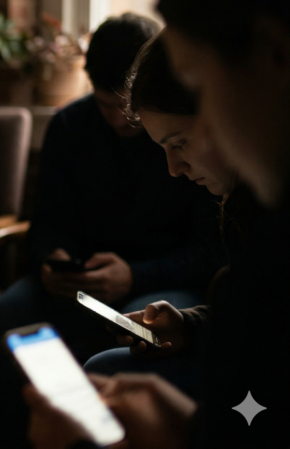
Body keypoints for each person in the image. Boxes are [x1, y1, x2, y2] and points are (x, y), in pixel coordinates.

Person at [24, 0, 290, 447]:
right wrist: (193, 334)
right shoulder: (261, 220)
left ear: (272, 52)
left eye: (202, 86)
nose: (205, 125)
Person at [0, 13, 222, 448]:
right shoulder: (70, 125)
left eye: (125, 107)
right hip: (78, 282)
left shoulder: (187, 141)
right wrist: (51, 261)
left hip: (162, 280)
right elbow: (44, 225)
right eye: (104, 104)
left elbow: (209, 253)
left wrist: (136, 275)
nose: (117, 118)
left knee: (135, 339)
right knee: (9, 315)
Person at [81, 32, 249, 399]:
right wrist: (188, 324)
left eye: (181, 143)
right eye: (163, 149)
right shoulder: (242, 199)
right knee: (101, 369)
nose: (174, 169)